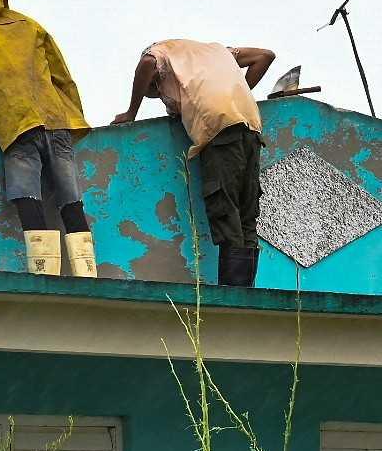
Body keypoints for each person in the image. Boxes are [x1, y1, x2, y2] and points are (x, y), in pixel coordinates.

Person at [0, 0, 98, 277]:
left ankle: (45, 273)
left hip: (16, 124)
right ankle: (88, 273)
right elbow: (61, 74)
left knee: (26, 195)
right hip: (55, 118)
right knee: (70, 196)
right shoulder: (28, 23)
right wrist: (74, 115)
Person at [113, 40, 275, 287]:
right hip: (251, 130)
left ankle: (233, 293)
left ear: (158, 79)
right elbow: (264, 55)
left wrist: (130, 112)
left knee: (225, 208)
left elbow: (146, 64)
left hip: (219, 131)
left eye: (157, 93)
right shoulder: (216, 53)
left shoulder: (161, 53)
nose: (165, 100)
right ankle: (246, 293)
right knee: (247, 213)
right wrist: (233, 94)